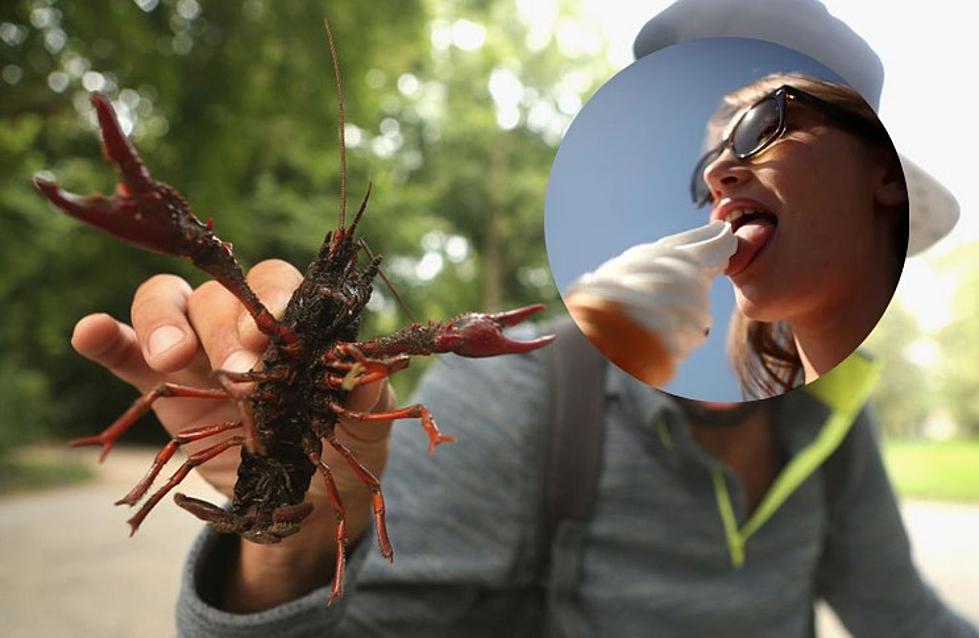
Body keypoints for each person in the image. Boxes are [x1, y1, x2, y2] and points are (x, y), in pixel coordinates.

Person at [67, 2, 973, 637]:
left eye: (765, 125)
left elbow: (896, 613)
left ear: (879, 193)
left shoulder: (825, 411)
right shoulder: (511, 392)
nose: (719, 176)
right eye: (700, 162)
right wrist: (297, 544)